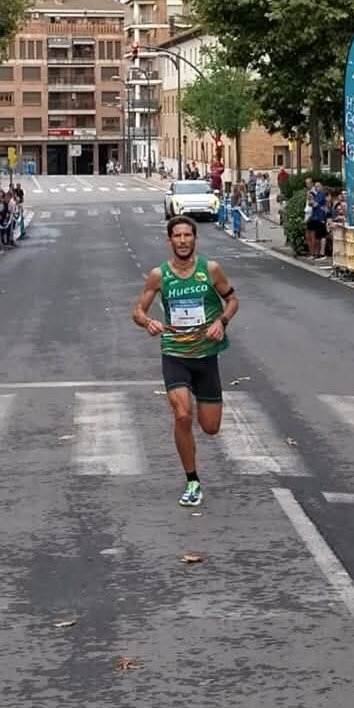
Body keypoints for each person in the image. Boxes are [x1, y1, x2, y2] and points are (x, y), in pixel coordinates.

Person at [132, 216, 240, 507]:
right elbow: (138, 311)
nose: (182, 240)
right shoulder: (159, 275)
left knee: (210, 427)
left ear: (195, 239)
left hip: (205, 355)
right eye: (176, 236)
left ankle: (193, 448)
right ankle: (192, 480)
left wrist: (222, 321)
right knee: (182, 414)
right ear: (169, 240)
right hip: (175, 353)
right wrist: (148, 322)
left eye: (187, 236)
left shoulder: (211, 270)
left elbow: (232, 300)